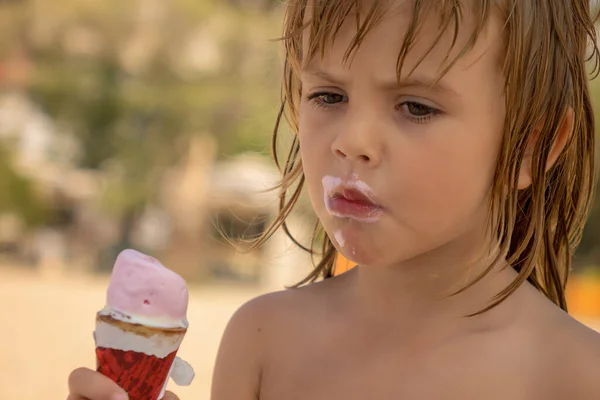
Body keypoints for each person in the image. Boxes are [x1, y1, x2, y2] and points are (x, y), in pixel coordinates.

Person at [67, 0, 600, 399]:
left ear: (532, 146)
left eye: (415, 106)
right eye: (329, 96)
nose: (351, 141)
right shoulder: (265, 341)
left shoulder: (575, 375)